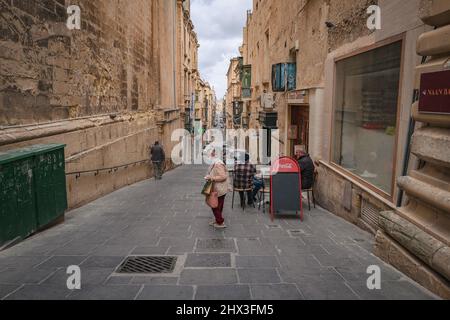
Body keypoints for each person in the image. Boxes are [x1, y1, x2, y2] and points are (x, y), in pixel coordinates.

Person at [205, 147, 229, 229]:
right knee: (218, 205)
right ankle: (218, 220)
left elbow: (223, 176)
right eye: (212, 152)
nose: (211, 153)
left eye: (213, 152)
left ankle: (220, 222)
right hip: (218, 188)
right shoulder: (216, 162)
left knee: (214, 205)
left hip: (218, 188)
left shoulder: (218, 163)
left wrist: (211, 178)